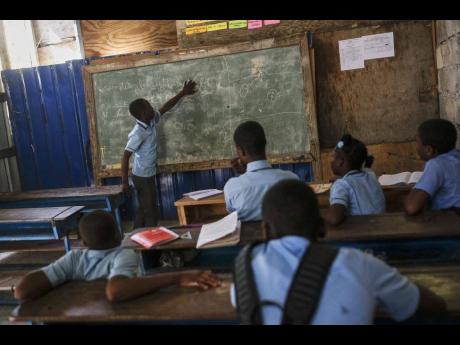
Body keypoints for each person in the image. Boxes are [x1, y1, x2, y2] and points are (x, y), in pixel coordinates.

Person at [231, 179, 446, 325]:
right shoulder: (359, 265)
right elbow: (434, 306)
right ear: (321, 227)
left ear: (265, 230)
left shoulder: (242, 275)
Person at [14, 211, 221, 303]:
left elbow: (21, 291)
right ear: (119, 235)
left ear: (84, 243)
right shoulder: (124, 255)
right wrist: (176, 277)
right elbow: (115, 291)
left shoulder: (74, 259)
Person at [121, 80, 197, 228]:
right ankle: (151, 241)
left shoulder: (150, 120)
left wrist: (182, 93)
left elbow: (165, 108)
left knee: (145, 208)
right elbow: (125, 157)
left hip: (148, 173)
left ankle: (138, 237)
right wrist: (124, 183)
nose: (153, 109)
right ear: (142, 114)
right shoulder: (138, 133)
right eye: (149, 107)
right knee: (150, 210)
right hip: (142, 176)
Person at [223, 121, 299, 221]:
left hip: (248, 236)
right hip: (284, 234)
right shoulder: (292, 179)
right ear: (264, 145)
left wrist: (246, 174)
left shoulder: (232, 187)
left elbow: (233, 217)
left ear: (241, 151)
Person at [323, 134, 385, 226]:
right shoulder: (371, 175)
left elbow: (333, 219)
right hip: (381, 228)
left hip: (363, 236)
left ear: (341, 161)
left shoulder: (341, 185)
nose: (331, 161)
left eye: (334, 156)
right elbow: (356, 176)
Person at [405, 119, 460, 215]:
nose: (416, 147)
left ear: (429, 150)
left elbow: (412, 207)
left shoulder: (437, 164)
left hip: (451, 222)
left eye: (417, 142)